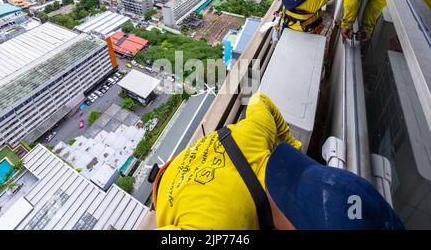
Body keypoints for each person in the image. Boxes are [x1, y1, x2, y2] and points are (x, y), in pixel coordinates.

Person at [151, 92, 404, 230]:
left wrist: (293, 149)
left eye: (291, 196)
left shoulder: (249, 134)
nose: (287, 179)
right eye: (302, 172)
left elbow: (260, 101)